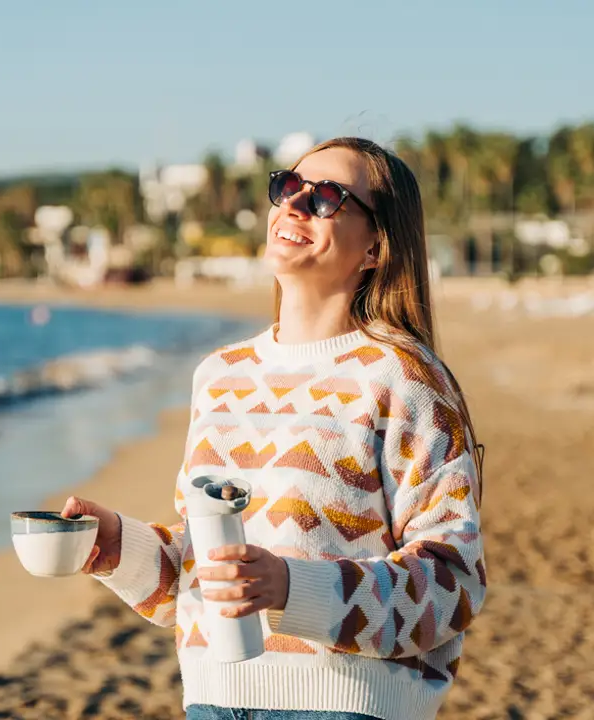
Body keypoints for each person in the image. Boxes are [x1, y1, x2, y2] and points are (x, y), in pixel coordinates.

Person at [63, 137, 486, 720]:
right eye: (288, 187)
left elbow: (453, 582)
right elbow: (205, 575)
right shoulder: (219, 376)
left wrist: (292, 588)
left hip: (345, 709)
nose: (294, 205)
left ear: (376, 247)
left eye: (327, 198)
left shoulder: (403, 378)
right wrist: (114, 546)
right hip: (213, 702)